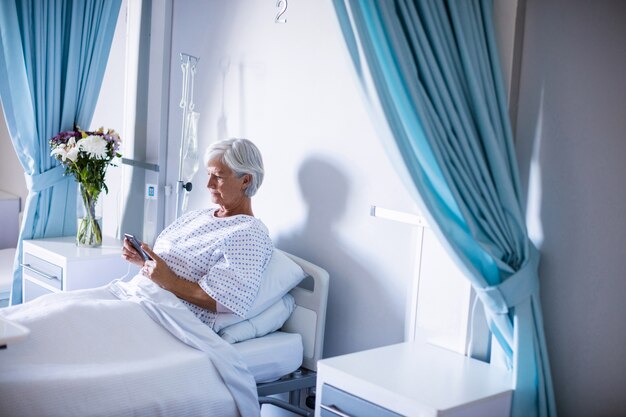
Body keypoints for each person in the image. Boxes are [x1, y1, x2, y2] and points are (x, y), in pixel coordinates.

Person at [122, 138, 273, 328]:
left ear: (245, 180)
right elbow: (172, 268)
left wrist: (169, 281)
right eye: (208, 174)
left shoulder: (249, 234)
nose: (209, 184)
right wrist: (145, 261)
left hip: (168, 318)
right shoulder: (197, 216)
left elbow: (225, 300)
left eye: (218, 176)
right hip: (139, 296)